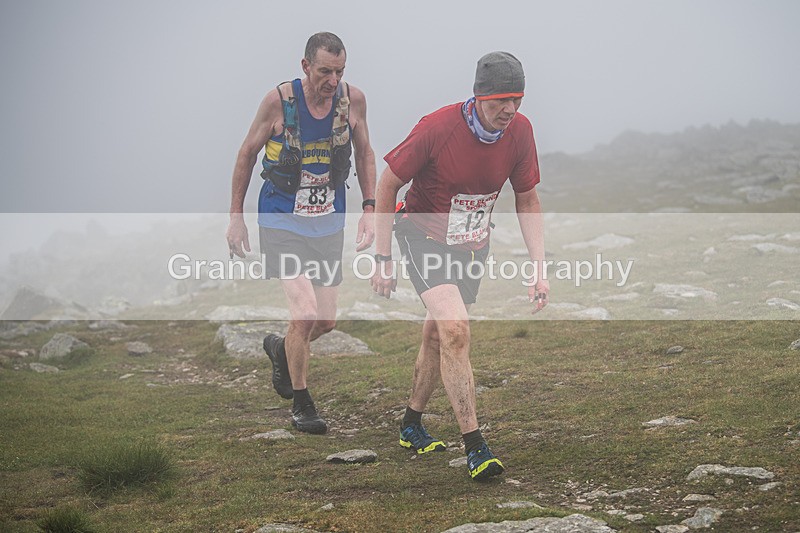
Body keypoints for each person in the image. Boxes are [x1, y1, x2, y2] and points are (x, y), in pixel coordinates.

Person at [370, 52, 549, 480]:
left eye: (518, 100)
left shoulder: (520, 133)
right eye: (501, 101)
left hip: (471, 246)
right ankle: (476, 446)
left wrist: (539, 267)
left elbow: (527, 199)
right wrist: (382, 258)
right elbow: (388, 181)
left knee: (437, 335)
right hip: (421, 236)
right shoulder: (438, 128)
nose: (510, 110)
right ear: (480, 95)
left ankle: (410, 424)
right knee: (455, 328)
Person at [227, 32, 376, 434]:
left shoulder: (353, 101)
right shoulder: (279, 102)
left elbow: (364, 153)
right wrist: (236, 217)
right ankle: (301, 404)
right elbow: (246, 153)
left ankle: (280, 348)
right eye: (325, 71)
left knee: (324, 321)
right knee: (305, 312)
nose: (332, 80)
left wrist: (369, 208)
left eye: (339, 71)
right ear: (306, 66)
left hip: (328, 220)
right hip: (281, 218)